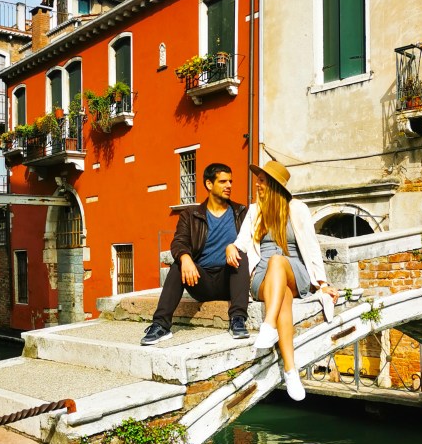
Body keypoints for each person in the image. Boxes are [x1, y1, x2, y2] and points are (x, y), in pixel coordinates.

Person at [226, 160, 339, 400]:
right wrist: (231, 247)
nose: (258, 184)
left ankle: (268, 326)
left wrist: (322, 282)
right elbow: (243, 241)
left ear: (275, 185)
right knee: (283, 298)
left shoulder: (297, 208)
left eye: (263, 180)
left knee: (278, 260)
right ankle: (291, 370)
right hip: (262, 276)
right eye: (258, 180)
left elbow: (311, 245)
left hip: (294, 270)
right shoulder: (254, 210)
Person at [141, 163, 251, 345]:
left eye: (230, 181)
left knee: (242, 254)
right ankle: (160, 325)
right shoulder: (190, 215)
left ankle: (238, 320)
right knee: (178, 264)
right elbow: (179, 242)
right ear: (209, 184)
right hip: (201, 281)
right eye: (223, 181)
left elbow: (251, 242)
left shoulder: (241, 212)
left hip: (229, 279)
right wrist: (185, 258)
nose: (229, 185)